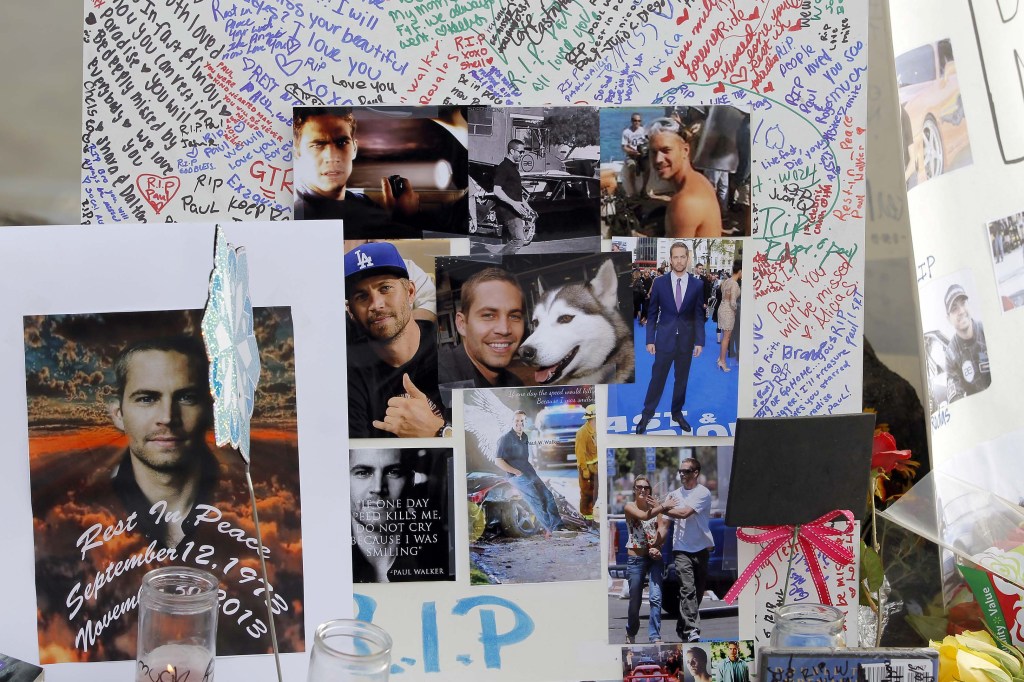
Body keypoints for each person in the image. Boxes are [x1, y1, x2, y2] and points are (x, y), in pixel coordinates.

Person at [106, 336, 219, 550]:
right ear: (118, 414)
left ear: (211, 412)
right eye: (147, 399)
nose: (167, 417)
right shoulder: (83, 509)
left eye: (187, 398)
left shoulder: (250, 503)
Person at [345, 242, 448, 438]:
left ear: (410, 293)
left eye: (385, 288)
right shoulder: (349, 376)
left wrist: (439, 431)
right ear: (351, 311)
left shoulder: (451, 350)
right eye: (362, 296)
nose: (376, 304)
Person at [292, 108, 429, 238]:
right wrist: (405, 220)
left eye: (342, 142)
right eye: (317, 145)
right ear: (297, 153)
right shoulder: (297, 216)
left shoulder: (363, 202)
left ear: (354, 148)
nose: (332, 156)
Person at [636, 242, 705, 434]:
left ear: (687, 258)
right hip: (664, 340)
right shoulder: (659, 283)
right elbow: (652, 312)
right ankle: (647, 414)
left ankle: (677, 413)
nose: (679, 260)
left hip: (686, 341)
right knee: (657, 379)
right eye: (676, 257)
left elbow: (698, 315)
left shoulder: (697, 285)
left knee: (681, 380)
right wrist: (650, 339)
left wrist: (700, 341)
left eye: (683, 256)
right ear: (670, 259)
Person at [438, 267, 526, 390]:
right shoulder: (437, 378)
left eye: (514, 316)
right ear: (462, 324)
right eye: (488, 315)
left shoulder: (515, 386)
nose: (504, 329)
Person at [664, 457, 715, 642]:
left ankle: (683, 625)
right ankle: (692, 629)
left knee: (698, 593)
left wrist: (662, 508)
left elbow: (684, 513)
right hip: (681, 549)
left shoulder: (703, 493)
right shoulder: (673, 494)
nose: (682, 475)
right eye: (680, 471)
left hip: (701, 547)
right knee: (687, 589)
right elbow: (665, 523)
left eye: (686, 471)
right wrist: (658, 542)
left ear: (696, 473)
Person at [349, 448, 416, 583]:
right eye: (363, 473)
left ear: (410, 481)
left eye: (393, 472)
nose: (378, 488)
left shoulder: (438, 556)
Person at [494, 410, 564, 537]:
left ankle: (558, 527)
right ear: (512, 422)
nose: (519, 423)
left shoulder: (525, 437)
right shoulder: (505, 439)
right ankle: (551, 529)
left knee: (548, 496)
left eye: (522, 421)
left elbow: (523, 458)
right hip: (516, 476)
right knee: (536, 499)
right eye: (517, 420)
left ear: (525, 422)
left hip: (529, 472)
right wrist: (515, 471)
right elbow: (498, 461)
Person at [649, 123, 723, 238]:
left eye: (666, 150)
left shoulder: (685, 201)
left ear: (685, 150)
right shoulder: (700, 180)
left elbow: (676, 255)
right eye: (653, 152)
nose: (658, 159)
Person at [623, 475, 669, 644]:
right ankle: (631, 630)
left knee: (656, 597)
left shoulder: (655, 507)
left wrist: (658, 546)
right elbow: (643, 516)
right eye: (639, 487)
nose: (642, 490)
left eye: (646, 488)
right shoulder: (629, 506)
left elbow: (661, 528)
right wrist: (662, 506)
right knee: (635, 598)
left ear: (650, 490)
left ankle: (655, 636)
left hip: (654, 558)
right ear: (634, 490)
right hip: (636, 559)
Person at [943, 283, 991, 401]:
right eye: (954, 309)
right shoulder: (950, 354)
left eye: (963, 303)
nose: (961, 311)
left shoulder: (988, 330)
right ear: (948, 319)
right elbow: (955, 400)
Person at [492, 139, 536, 254]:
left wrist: (529, 208)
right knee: (519, 240)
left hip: (515, 210)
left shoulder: (513, 169)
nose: (522, 154)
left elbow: (518, 195)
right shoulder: (503, 167)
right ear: (512, 151)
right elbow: (497, 190)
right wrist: (514, 204)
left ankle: (503, 262)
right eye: (520, 152)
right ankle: (497, 261)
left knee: (515, 240)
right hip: (508, 211)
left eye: (523, 152)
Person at [574, 404, 598, 520]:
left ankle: (590, 515)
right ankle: (586, 518)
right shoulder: (582, 433)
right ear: (592, 418)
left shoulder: (598, 430)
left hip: (596, 466)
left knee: (595, 492)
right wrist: (584, 469)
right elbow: (580, 453)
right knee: (586, 493)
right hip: (586, 467)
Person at [717, 260, 742, 372]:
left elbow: (723, 294)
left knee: (723, 336)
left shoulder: (727, 281)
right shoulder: (735, 284)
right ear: (740, 271)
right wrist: (736, 310)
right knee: (727, 338)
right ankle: (722, 362)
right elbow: (733, 302)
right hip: (728, 311)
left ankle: (720, 358)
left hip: (721, 308)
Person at [622, 113, 648, 197]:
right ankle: (634, 191)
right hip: (631, 155)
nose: (637, 122)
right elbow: (624, 147)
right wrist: (633, 152)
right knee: (632, 166)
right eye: (635, 120)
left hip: (642, 155)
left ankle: (644, 190)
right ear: (631, 121)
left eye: (639, 121)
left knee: (648, 168)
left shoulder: (644, 130)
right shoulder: (626, 132)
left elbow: (648, 141)